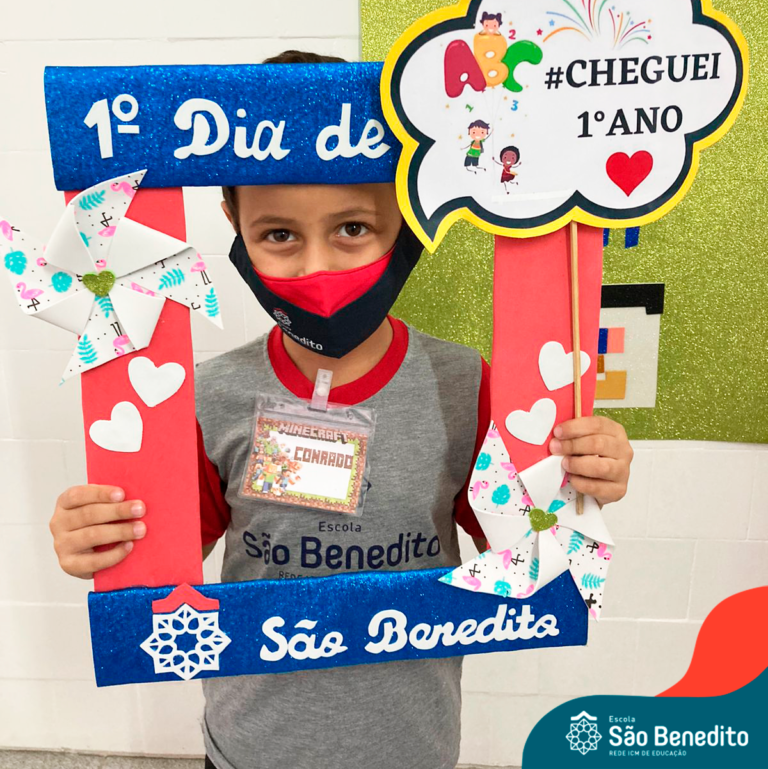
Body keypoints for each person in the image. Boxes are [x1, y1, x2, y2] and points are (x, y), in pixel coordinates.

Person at [48, 51, 634, 769]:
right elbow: (160, 557)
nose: (317, 268)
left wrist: (582, 481)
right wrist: (99, 541)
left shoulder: (464, 385)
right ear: (234, 222)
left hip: (411, 746)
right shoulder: (208, 396)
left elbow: (529, 558)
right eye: (279, 235)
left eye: (352, 228)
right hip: (249, 746)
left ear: (406, 215)